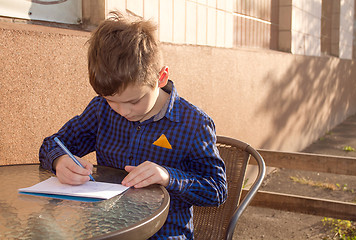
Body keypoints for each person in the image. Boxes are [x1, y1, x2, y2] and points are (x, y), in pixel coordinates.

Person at [39, 11, 227, 239]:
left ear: (161, 78)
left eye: (134, 101)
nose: (123, 111)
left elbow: (217, 190)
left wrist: (168, 176)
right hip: (108, 231)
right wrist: (60, 160)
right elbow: (54, 144)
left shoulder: (193, 123)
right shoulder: (101, 110)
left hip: (165, 234)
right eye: (111, 100)